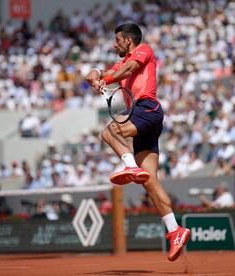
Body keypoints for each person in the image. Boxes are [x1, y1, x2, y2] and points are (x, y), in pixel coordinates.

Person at [85, 23, 190, 262]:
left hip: (147, 108)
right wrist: (94, 73)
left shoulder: (143, 50)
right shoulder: (121, 62)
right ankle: (175, 230)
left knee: (110, 132)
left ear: (129, 41)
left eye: (117, 40)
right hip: (143, 116)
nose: (114, 44)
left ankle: (129, 165)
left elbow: (127, 69)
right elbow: (108, 72)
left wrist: (106, 78)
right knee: (150, 180)